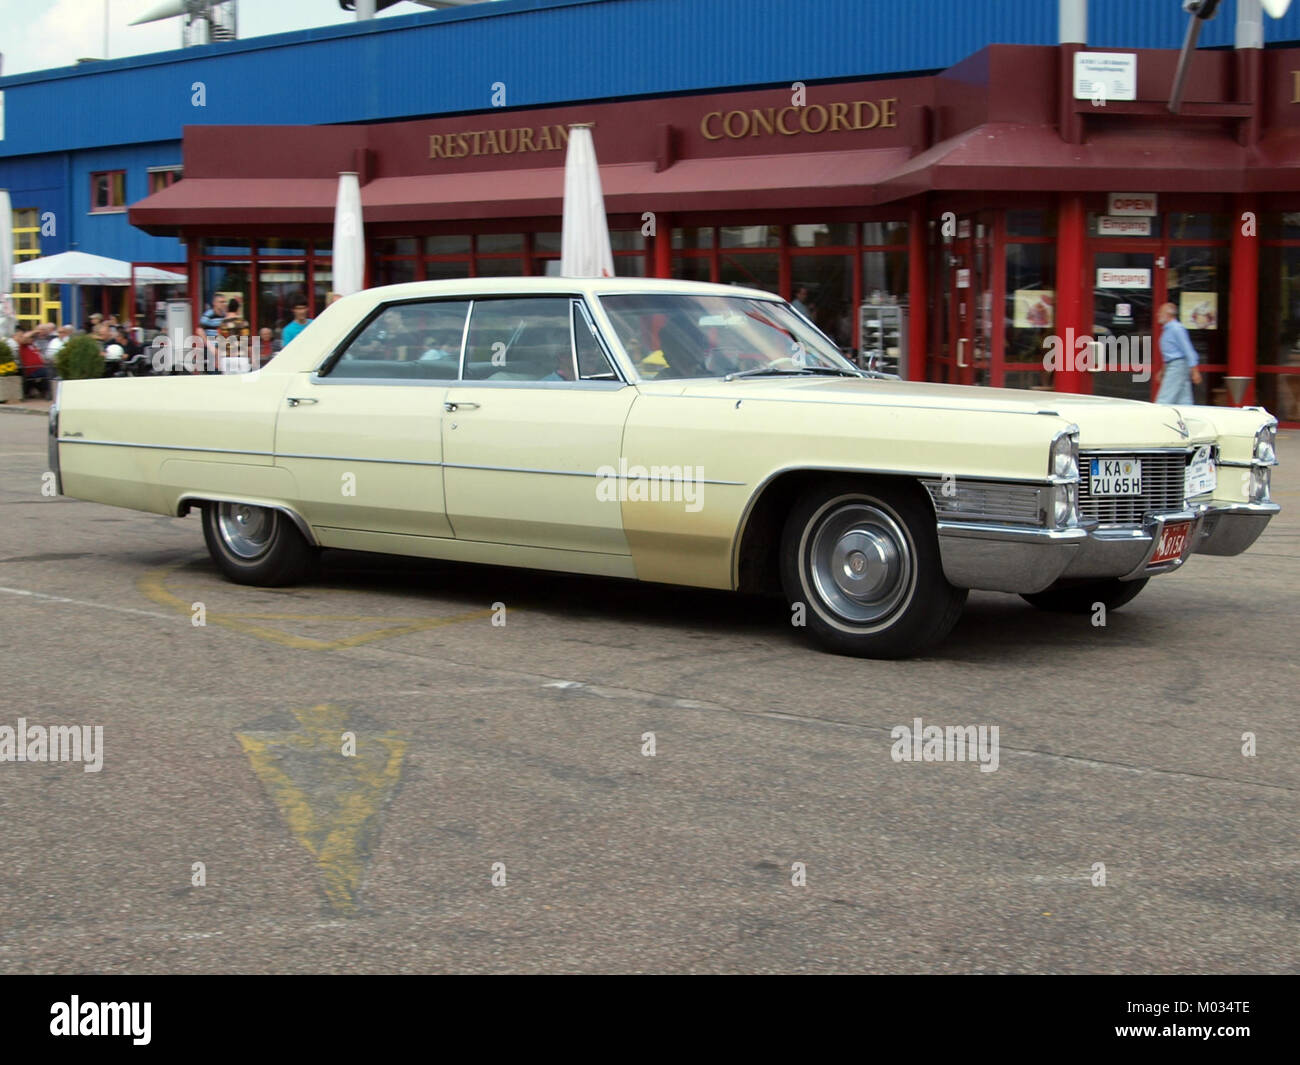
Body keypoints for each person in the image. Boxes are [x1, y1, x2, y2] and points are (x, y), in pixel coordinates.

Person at [1155, 302, 1201, 405]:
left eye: (1160, 312)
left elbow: (1187, 349)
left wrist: (1195, 371)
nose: (1158, 314)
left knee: (1164, 399)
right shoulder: (1169, 329)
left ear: (1168, 314)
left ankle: (1157, 419)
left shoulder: (1176, 329)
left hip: (1177, 366)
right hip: (1175, 365)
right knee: (1183, 400)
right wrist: (1163, 371)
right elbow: (1170, 354)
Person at [16, 329, 52, 397]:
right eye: (31, 337)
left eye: (33, 337)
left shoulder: (33, 345)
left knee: (49, 370)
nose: (32, 339)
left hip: (39, 368)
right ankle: (48, 392)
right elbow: (24, 338)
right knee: (47, 372)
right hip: (31, 369)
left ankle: (44, 391)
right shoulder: (23, 346)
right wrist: (34, 331)